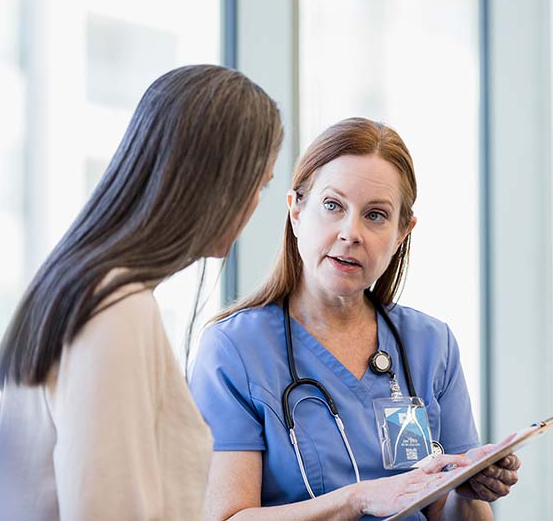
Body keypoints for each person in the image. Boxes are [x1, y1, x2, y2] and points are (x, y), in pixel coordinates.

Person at [0, 64, 284, 520]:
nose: (254, 205)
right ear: (217, 182)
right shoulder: (114, 307)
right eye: (259, 184)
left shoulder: (85, 284)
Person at [189, 117, 521, 520]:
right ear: (296, 211)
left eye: (376, 215)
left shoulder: (431, 343)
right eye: (333, 206)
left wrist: (467, 489)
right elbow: (227, 517)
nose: (351, 232)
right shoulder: (235, 349)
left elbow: (454, 513)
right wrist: (358, 499)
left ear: (402, 233)